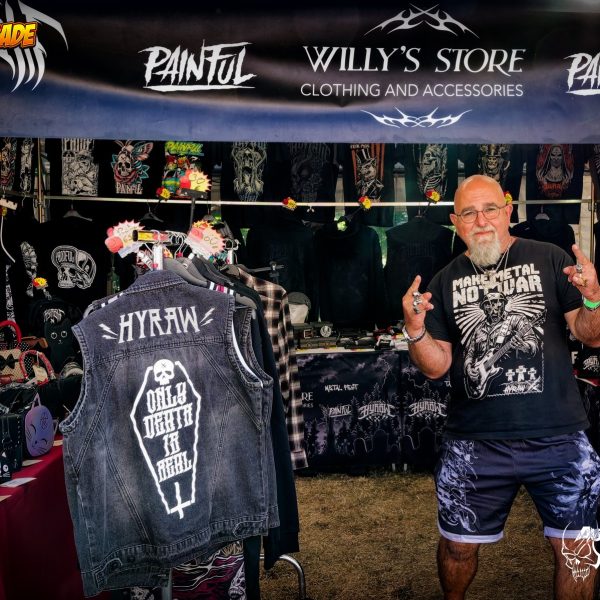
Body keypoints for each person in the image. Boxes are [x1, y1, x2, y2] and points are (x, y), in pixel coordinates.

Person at [402, 174, 600, 600]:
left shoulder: (550, 258)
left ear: (508, 211)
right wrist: (415, 330)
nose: (481, 221)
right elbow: (436, 368)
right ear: (456, 222)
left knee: (578, 550)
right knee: (457, 546)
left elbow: (591, 335)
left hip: (558, 435)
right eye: (469, 213)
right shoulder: (444, 280)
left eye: (490, 209)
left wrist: (593, 298)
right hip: (475, 439)